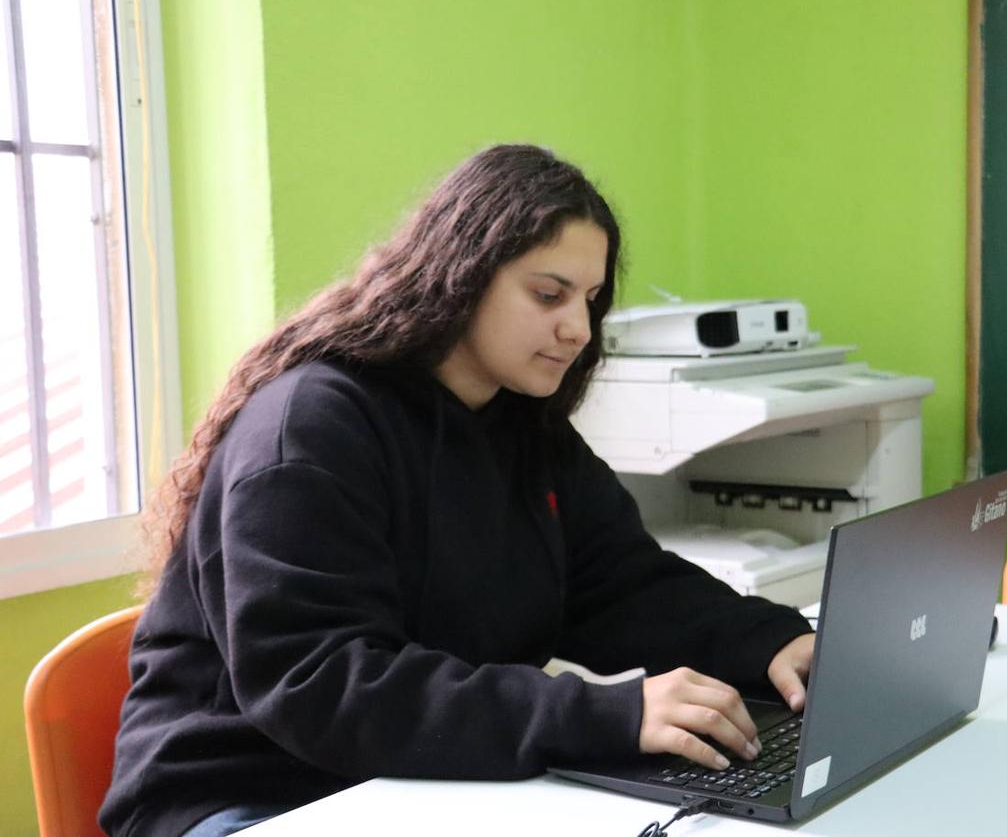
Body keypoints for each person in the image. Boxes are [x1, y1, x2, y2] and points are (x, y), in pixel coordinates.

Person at [99, 144, 815, 837]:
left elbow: (619, 582)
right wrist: (604, 715)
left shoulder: (520, 426)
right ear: (461, 273)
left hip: (405, 782)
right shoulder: (312, 426)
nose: (577, 328)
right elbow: (321, 685)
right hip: (246, 799)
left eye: (590, 299)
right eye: (548, 293)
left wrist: (767, 641)